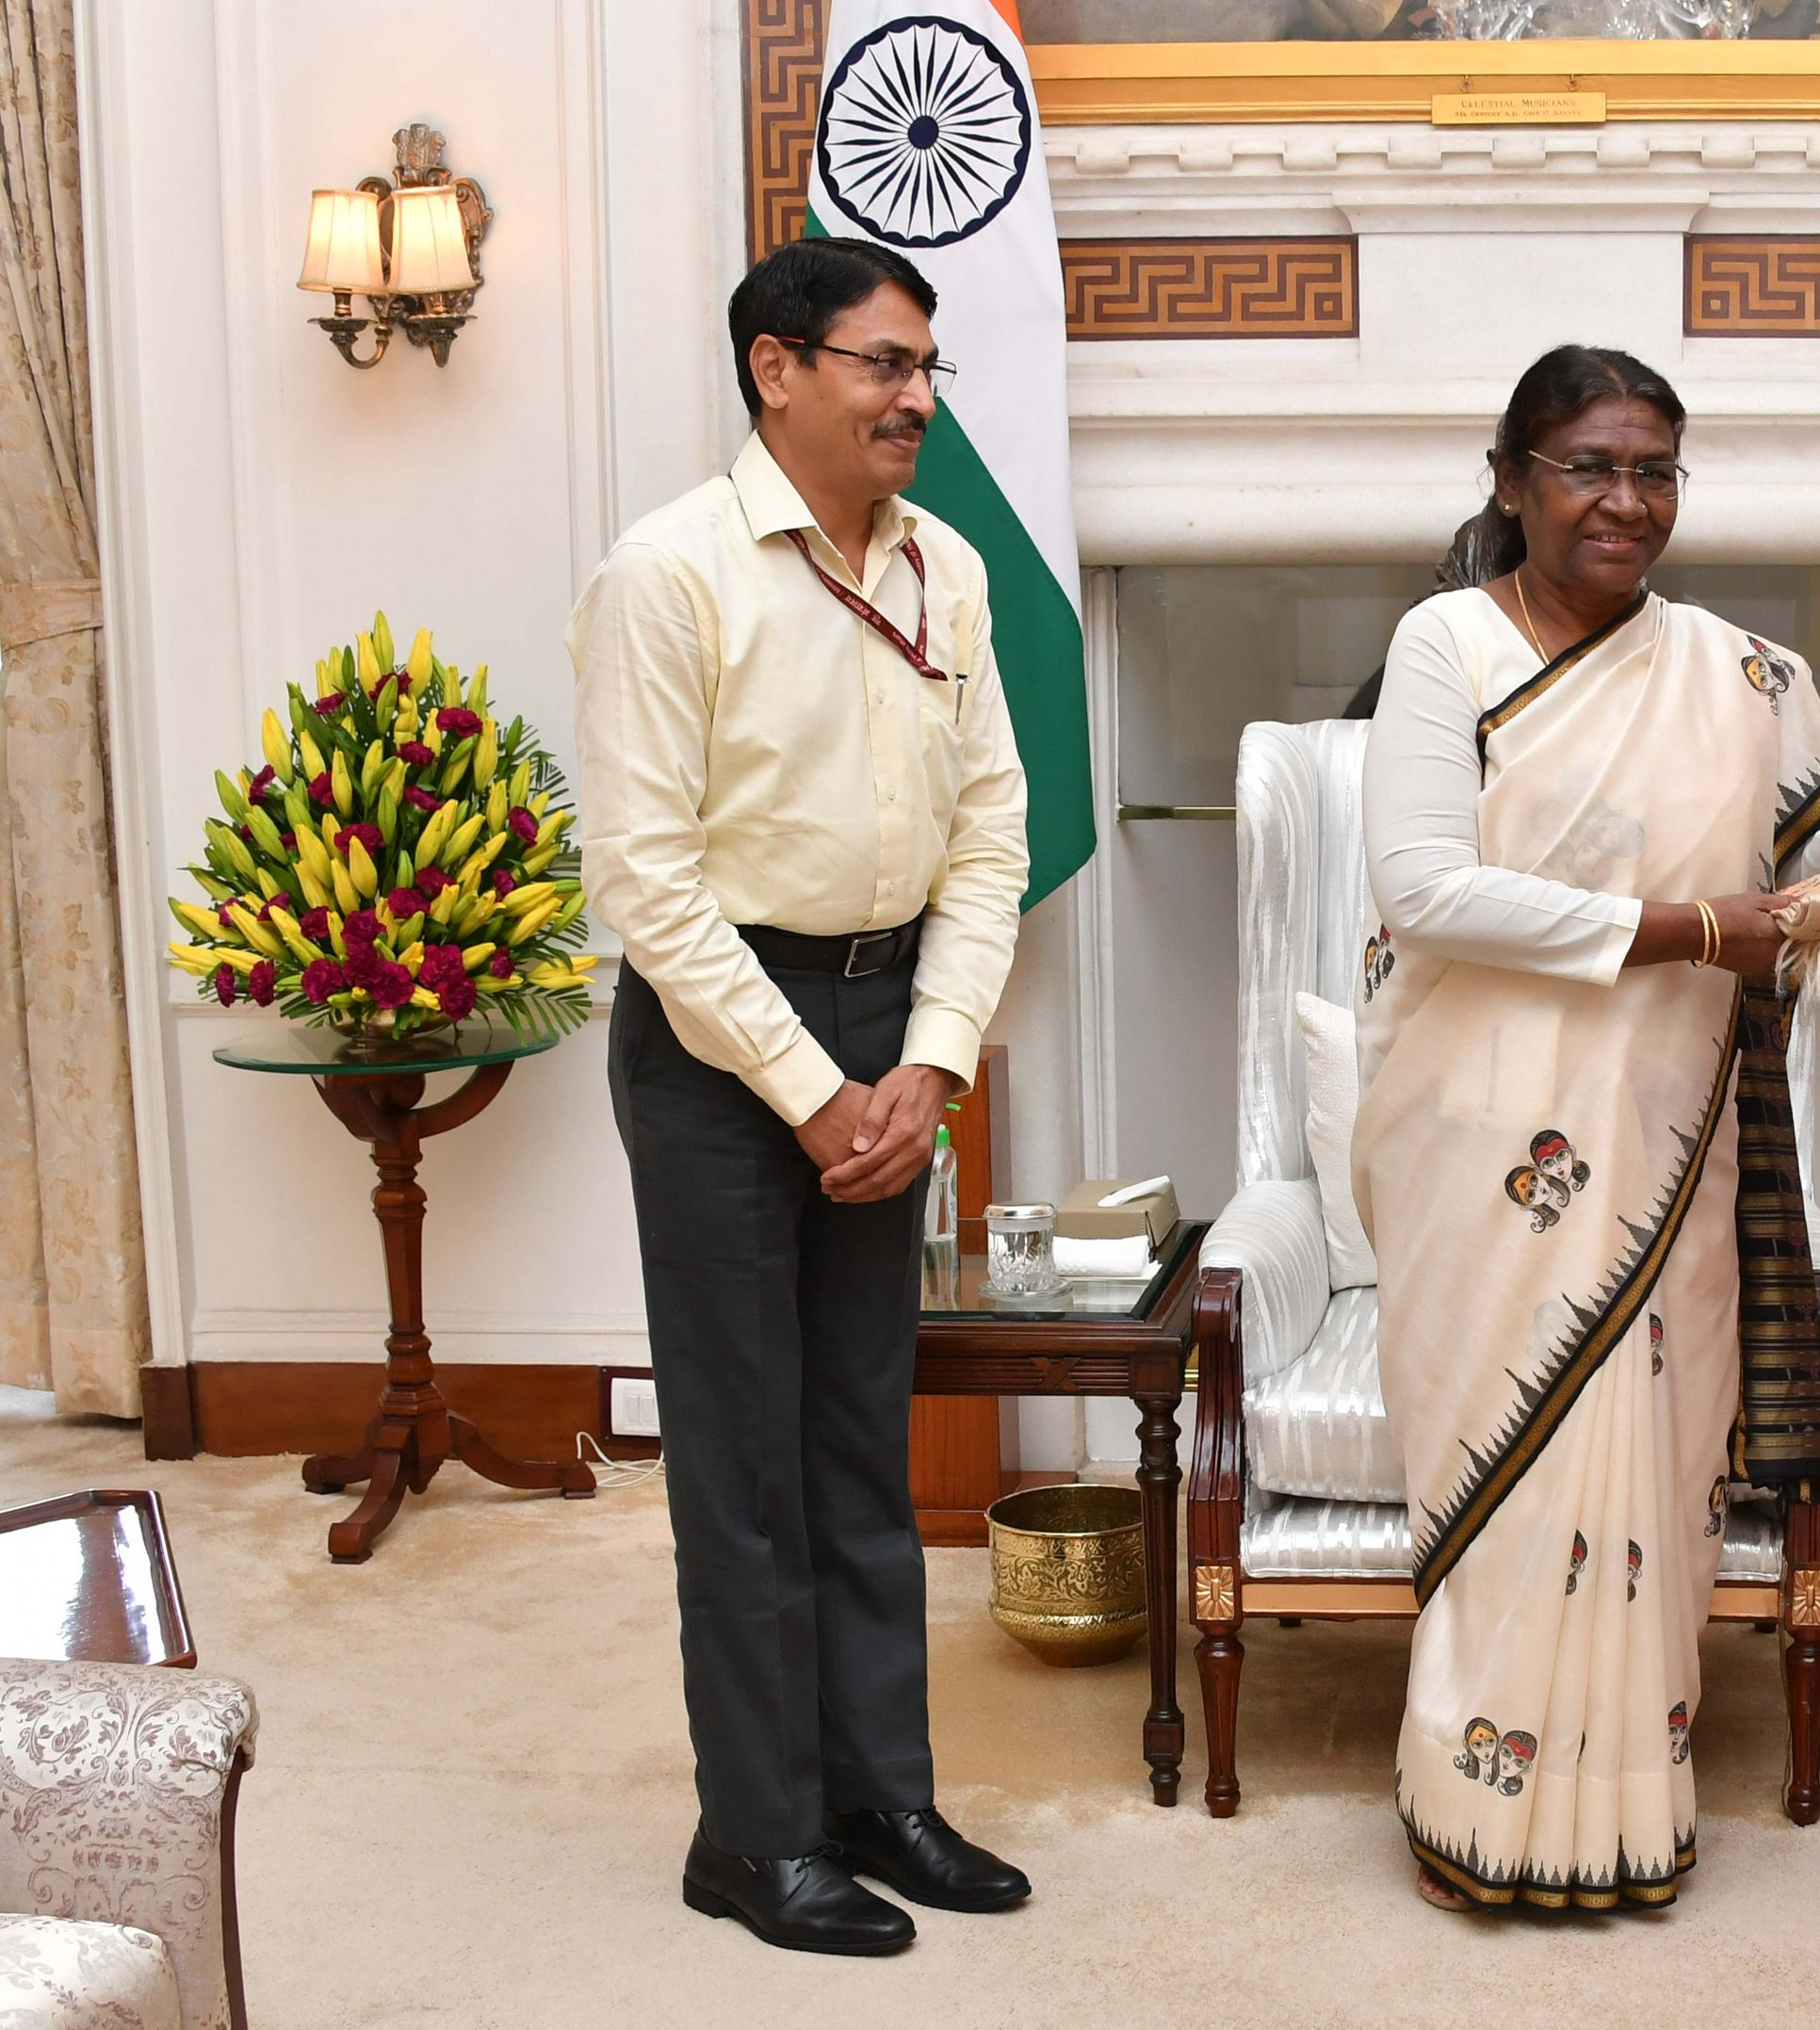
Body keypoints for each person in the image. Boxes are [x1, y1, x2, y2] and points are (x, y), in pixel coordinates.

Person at [1350, 343, 1820, 1912]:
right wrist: (1692, 930)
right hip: (1482, 1141)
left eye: (1654, 472)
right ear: (1514, 482)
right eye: (1589, 468)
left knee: (1651, 1474)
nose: (1625, 501)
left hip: (1669, 1129)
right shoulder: (1445, 643)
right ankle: (1481, 1821)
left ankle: (1623, 1816)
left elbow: (1800, 831)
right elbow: (1422, 889)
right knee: (1514, 1481)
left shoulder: (1737, 672)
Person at [572, 236, 1035, 1957]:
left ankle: (878, 1794)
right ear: (776, 370)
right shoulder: (668, 574)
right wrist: (808, 1091)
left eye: (927, 368)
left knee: (858, 1439)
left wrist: (930, 1059)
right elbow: (646, 880)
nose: (918, 398)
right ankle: (755, 1836)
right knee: (744, 1462)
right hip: (716, 1045)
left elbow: (990, 831)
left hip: (887, 1023)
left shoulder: (948, 568)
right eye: (883, 364)